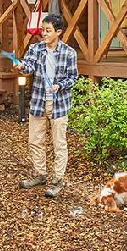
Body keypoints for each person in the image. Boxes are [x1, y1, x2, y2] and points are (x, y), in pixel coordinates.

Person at [14, 14, 78, 197]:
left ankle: (58, 181)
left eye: (48, 30)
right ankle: (40, 175)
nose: (44, 34)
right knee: (35, 141)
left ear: (58, 32)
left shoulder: (69, 53)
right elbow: (30, 67)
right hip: (38, 101)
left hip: (59, 104)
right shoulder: (36, 48)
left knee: (59, 144)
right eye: (43, 30)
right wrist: (21, 66)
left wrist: (60, 85)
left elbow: (73, 78)